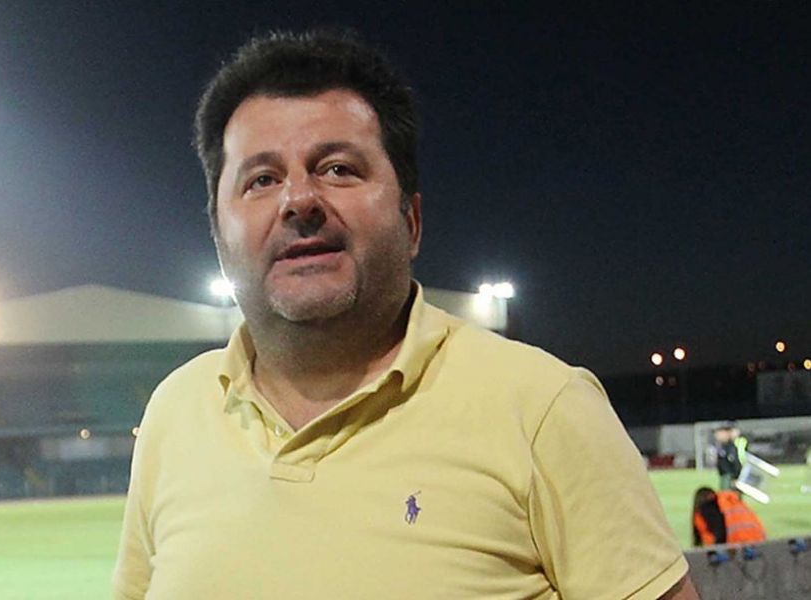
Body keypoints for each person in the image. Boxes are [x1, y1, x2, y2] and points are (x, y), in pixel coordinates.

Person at [113, 30, 697, 599]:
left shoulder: (544, 408)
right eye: (262, 179)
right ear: (219, 234)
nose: (299, 200)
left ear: (411, 222)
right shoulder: (175, 412)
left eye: (338, 168)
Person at [692, 486, 766, 546]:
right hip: (760, 540)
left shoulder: (708, 507)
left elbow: (720, 533)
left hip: (737, 544)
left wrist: (713, 552)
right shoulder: (733, 501)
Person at [714, 422, 742, 491]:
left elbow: (735, 462)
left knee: (727, 493)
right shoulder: (723, 446)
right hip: (725, 475)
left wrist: (736, 476)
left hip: (729, 476)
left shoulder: (730, 447)